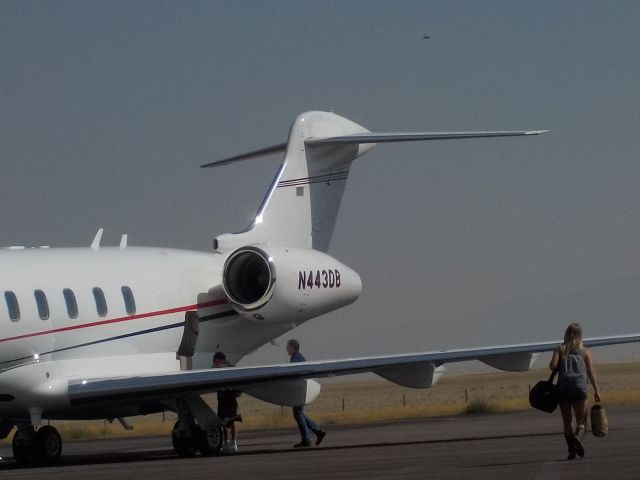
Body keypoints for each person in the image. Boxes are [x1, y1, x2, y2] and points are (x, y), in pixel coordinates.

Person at [549, 323, 601, 460]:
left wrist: (557, 353)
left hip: (563, 390)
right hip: (580, 390)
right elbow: (591, 372)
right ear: (580, 335)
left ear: (566, 334)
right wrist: (596, 390)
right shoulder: (585, 352)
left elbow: (552, 366)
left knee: (567, 421)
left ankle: (571, 450)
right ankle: (578, 437)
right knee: (582, 421)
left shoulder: (560, 349)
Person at [287, 339, 327, 448]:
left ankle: (307, 439)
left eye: (288, 347)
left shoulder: (296, 359)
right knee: (298, 414)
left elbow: (296, 375)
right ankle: (318, 432)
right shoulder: (298, 357)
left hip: (300, 390)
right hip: (302, 389)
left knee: (298, 413)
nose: (287, 349)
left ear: (293, 347)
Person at [213, 351, 240, 454]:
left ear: (217, 360)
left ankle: (233, 443)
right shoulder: (222, 367)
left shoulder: (228, 368)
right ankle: (227, 442)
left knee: (231, 421)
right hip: (223, 399)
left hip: (229, 398)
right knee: (224, 422)